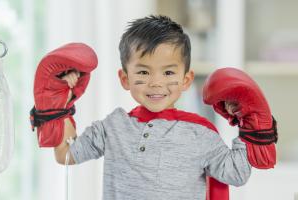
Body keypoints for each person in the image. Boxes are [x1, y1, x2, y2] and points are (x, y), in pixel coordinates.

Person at [54, 15, 251, 200]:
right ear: (125, 79)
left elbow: (237, 174)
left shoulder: (200, 133)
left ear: (186, 80)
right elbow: (66, 154)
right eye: (143, 72)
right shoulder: (113, 126)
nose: (156, 82)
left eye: (168, 72)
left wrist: (249, 121)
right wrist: (62, 101)